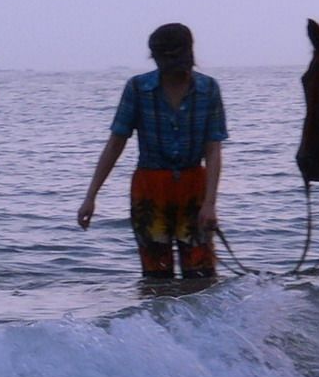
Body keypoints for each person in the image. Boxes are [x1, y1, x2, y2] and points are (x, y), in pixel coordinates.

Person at [77, 23, 228, 278]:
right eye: (165, 58)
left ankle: (201, 319)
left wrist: (210, 203)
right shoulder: (138, 88)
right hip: (150, 189)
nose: (173, 64)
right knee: (156, 276)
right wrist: (90, 196)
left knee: (201, 273)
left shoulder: (208, 89)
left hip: (194, 188)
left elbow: (213, 149)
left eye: (177, 56)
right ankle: (155, 318)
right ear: (156, 58)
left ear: (189, 53)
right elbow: (116, 143)